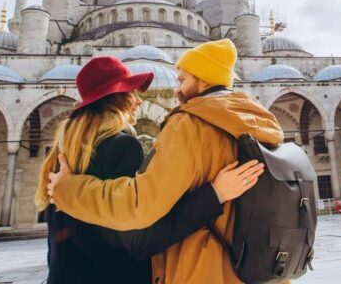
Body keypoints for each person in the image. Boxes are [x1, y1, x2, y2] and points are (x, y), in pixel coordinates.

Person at [47, 39, 284, 283]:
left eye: (182, 80)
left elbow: (140, 207)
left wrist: (67, 188)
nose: (175, 90)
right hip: (259, 266)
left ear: (204, 79)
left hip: (205, 268)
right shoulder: (262, 123)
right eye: (133, 93)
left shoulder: (62, 152)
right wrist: (215, 194)